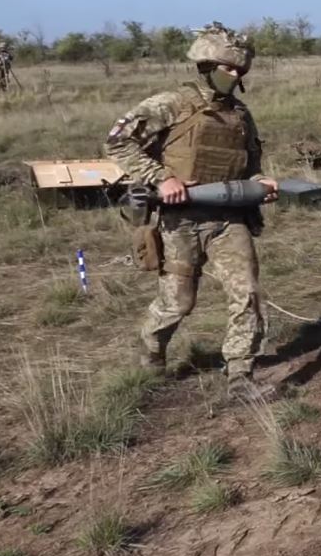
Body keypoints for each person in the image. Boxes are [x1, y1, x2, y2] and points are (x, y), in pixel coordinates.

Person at [102, 23, 279, 400]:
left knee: (246, 291)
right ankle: (151, 355)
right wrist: (161, 176)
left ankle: (240, 374)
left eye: (240, 71)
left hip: (229, 219)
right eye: (228, 69)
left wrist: (262, 185)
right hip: (180, 221)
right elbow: (117, 141)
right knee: (178, 302)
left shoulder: (240, 115)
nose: (235, 76)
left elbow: (250, 164)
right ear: (206, 65)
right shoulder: (172, 104)